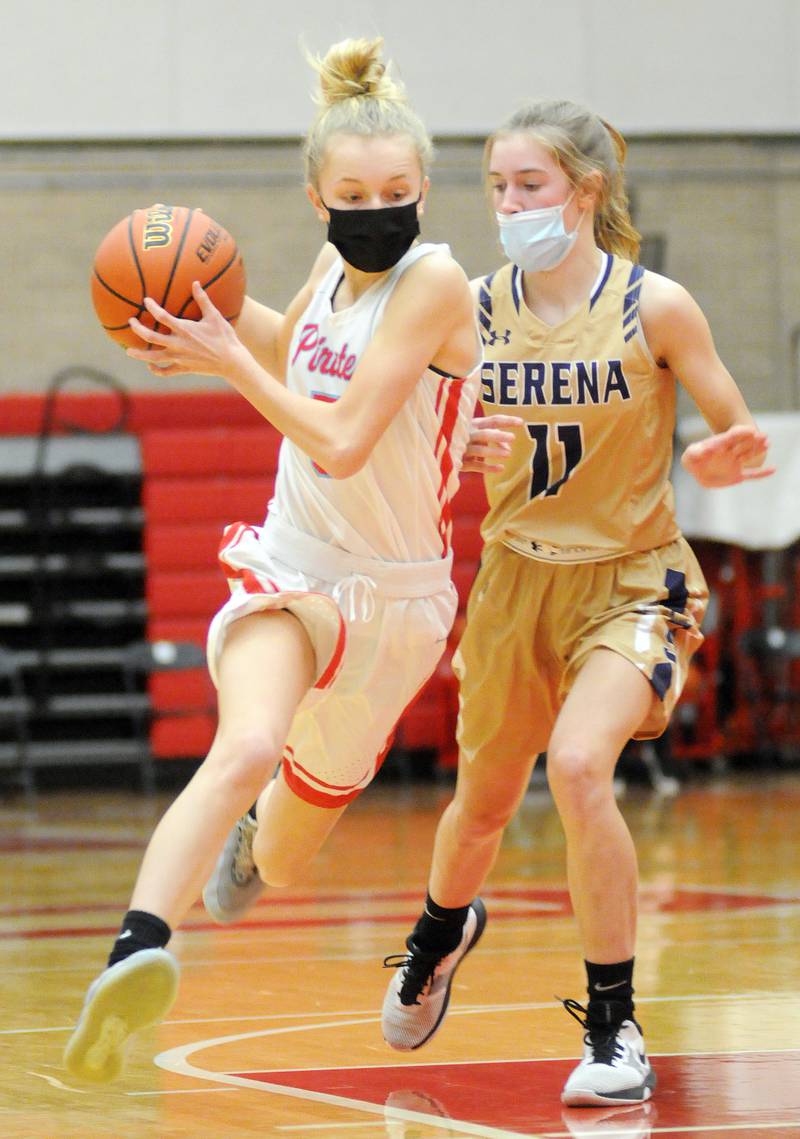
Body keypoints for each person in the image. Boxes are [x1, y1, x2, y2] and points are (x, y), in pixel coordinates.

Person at [63, 35, 497, 1084]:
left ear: (424, 191)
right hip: (293, 562)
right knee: (245, 739)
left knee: (288, 861)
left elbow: (341, 436)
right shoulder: (331, 269)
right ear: (317, 198)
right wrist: (197, 313)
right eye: (354, 192)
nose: (376, 207)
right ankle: (134, 954)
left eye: (396, 190)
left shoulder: (436, 283)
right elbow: (283, 342)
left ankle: (295, 853)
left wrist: (224, 365)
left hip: (396, 601)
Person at [380, 98, 774, 1108]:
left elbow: (740, 439)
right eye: (497, 187)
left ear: (586, 191)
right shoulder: (463, 307)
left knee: (579, 763)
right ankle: (441, 925)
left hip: (633, 575)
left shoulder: (658, 306)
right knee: (480, 807)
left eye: (530, 185)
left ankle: (613, 1022)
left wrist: (723, 455)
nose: (508, 205)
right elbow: (416, 435)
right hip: (514, 578)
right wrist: (452, 445)